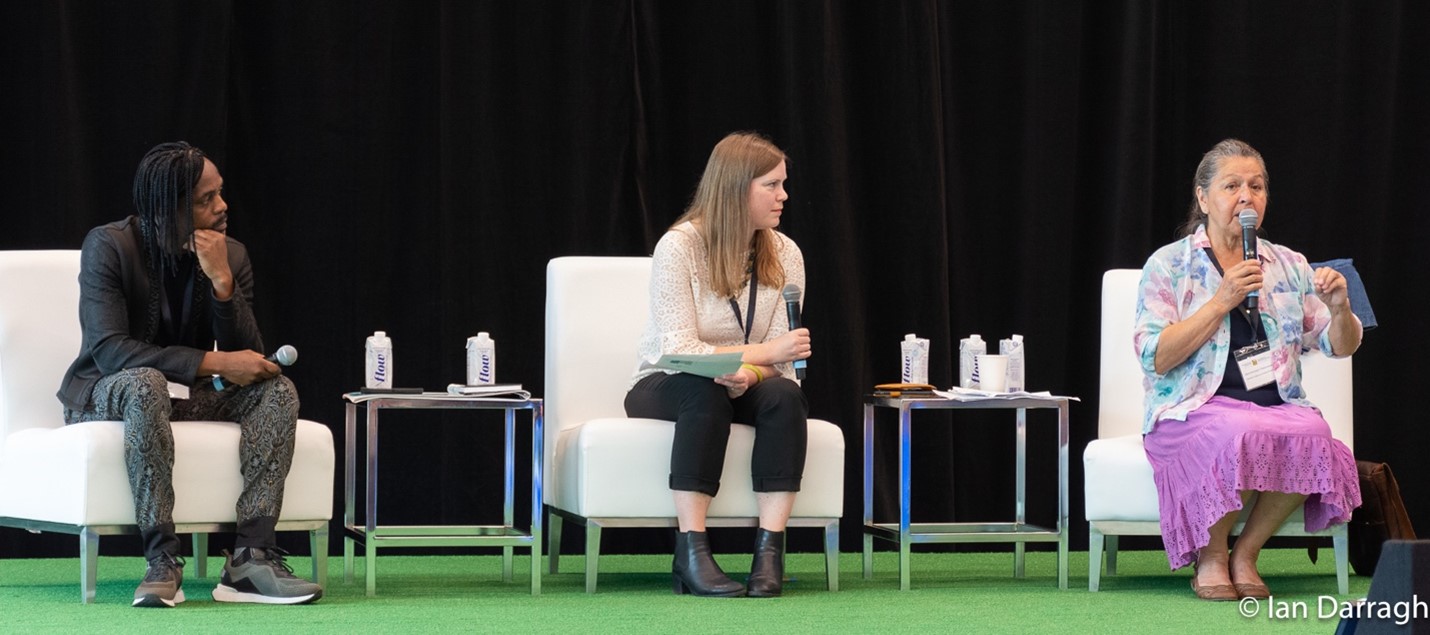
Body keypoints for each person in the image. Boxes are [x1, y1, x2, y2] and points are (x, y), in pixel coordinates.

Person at [57, 142, 322, 607]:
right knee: (144, 382)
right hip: (104, 396)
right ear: (167, 207)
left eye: (221, 194)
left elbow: (249, 356)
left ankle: (250, 558)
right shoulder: (109, 246)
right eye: (205, 199)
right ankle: (161, 560)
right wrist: (214, 362)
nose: (222, 207)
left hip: (184, 398)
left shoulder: (231, 255)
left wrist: (222, 284)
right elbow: (109, 349)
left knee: (276, 390)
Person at [1133, 138, 1362, 601]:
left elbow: (1339, 347)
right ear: (1203, 197)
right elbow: (1154, 355)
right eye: (1231, 185)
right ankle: (1212, 557)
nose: (1246, 196)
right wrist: (1221, 301)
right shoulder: (1169, 264)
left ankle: (1247, 554)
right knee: (1234, 426)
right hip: (1193, 410)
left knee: (1315, 433)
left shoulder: (1289, 264)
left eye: (1256, 186)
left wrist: (1340, 310)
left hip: (1275, 404)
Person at [624, 132, 813, 598]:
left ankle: (769, 552)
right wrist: (766, 354)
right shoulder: (680, 247)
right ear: (736, 188)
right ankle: (691, 551)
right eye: (771, 185)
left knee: (786, 397)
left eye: (783, 184)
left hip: (748, 380)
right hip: (668, 378)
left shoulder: (786, 253)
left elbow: (784, 359)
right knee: (703, 392)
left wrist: (751, 370)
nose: (783, 195)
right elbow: (678, 347)